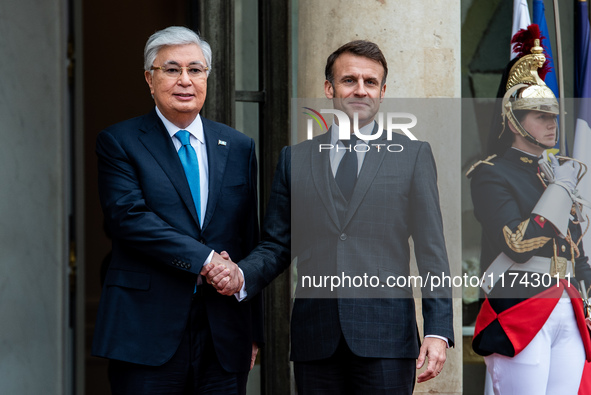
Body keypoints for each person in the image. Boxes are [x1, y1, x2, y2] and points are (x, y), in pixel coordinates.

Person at [203, 40, 454, 394]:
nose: (360, 90)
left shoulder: (412, 156)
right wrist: (241, 274)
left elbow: (432, 252)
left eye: (370, 82)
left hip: (387, 339)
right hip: (315, 339)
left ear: (383, 92)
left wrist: (437, 329)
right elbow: (277, 244)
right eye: (349, 80)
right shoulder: (296, 159)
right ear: (329, 88)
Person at [91, 26, 262, 395]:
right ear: (149, 79)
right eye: (172, 69)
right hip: (145, 330)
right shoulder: (119, 142)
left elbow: (249, 239)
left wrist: (254, 332)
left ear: (206, 78)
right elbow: (128, 218)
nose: (185, 80)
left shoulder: (238, 146)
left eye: (195, 70)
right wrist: (208, 261)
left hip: (224, 333)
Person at [467, 25, 591, 394]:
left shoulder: (555, 171)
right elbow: (516, 243)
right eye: (540, 116)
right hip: (519, 307)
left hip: (567, 304)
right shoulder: (490, 174)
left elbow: (575, 249)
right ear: (513, 121)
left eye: (553, 116)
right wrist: (561, 189)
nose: (552, 124)